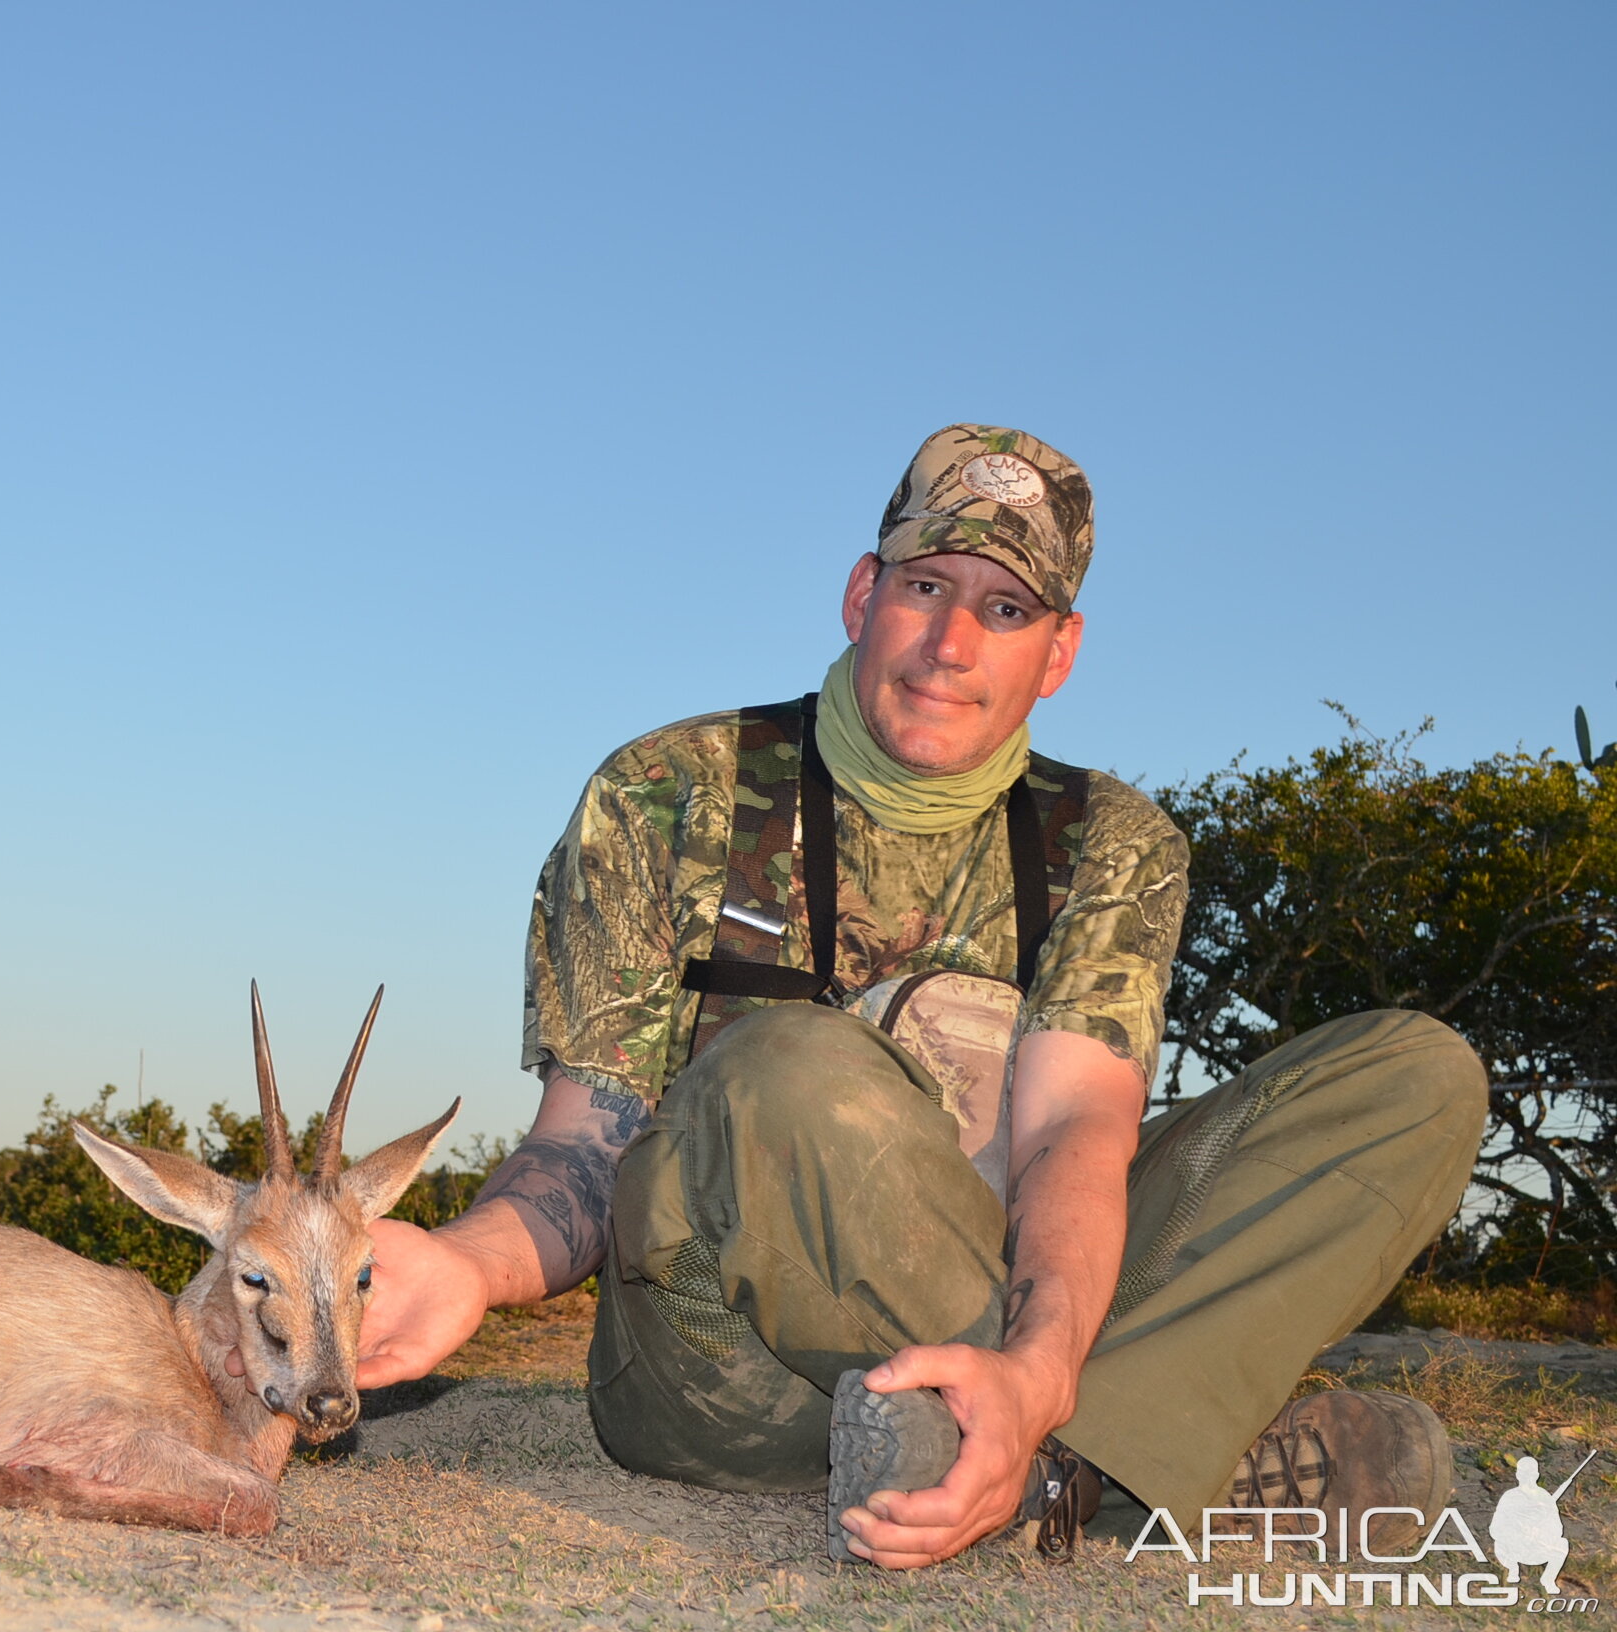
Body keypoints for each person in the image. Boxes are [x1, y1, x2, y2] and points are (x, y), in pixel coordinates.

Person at [356, 424, 1489, 1565]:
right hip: (730, 1374)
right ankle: (1119, 1450)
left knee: (1414, 1075)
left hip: (1010, 1307)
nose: (950, 643)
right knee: (782, 1065)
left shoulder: (1115, 843)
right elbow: (585, 1150)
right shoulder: (666, 793)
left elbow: (1074, 1138)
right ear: (861, 594)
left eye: (1006, 611)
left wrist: (1037, 1367)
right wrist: (465, 1262)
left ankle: (1021, 1446)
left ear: (1058, 654)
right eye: (927, 586)